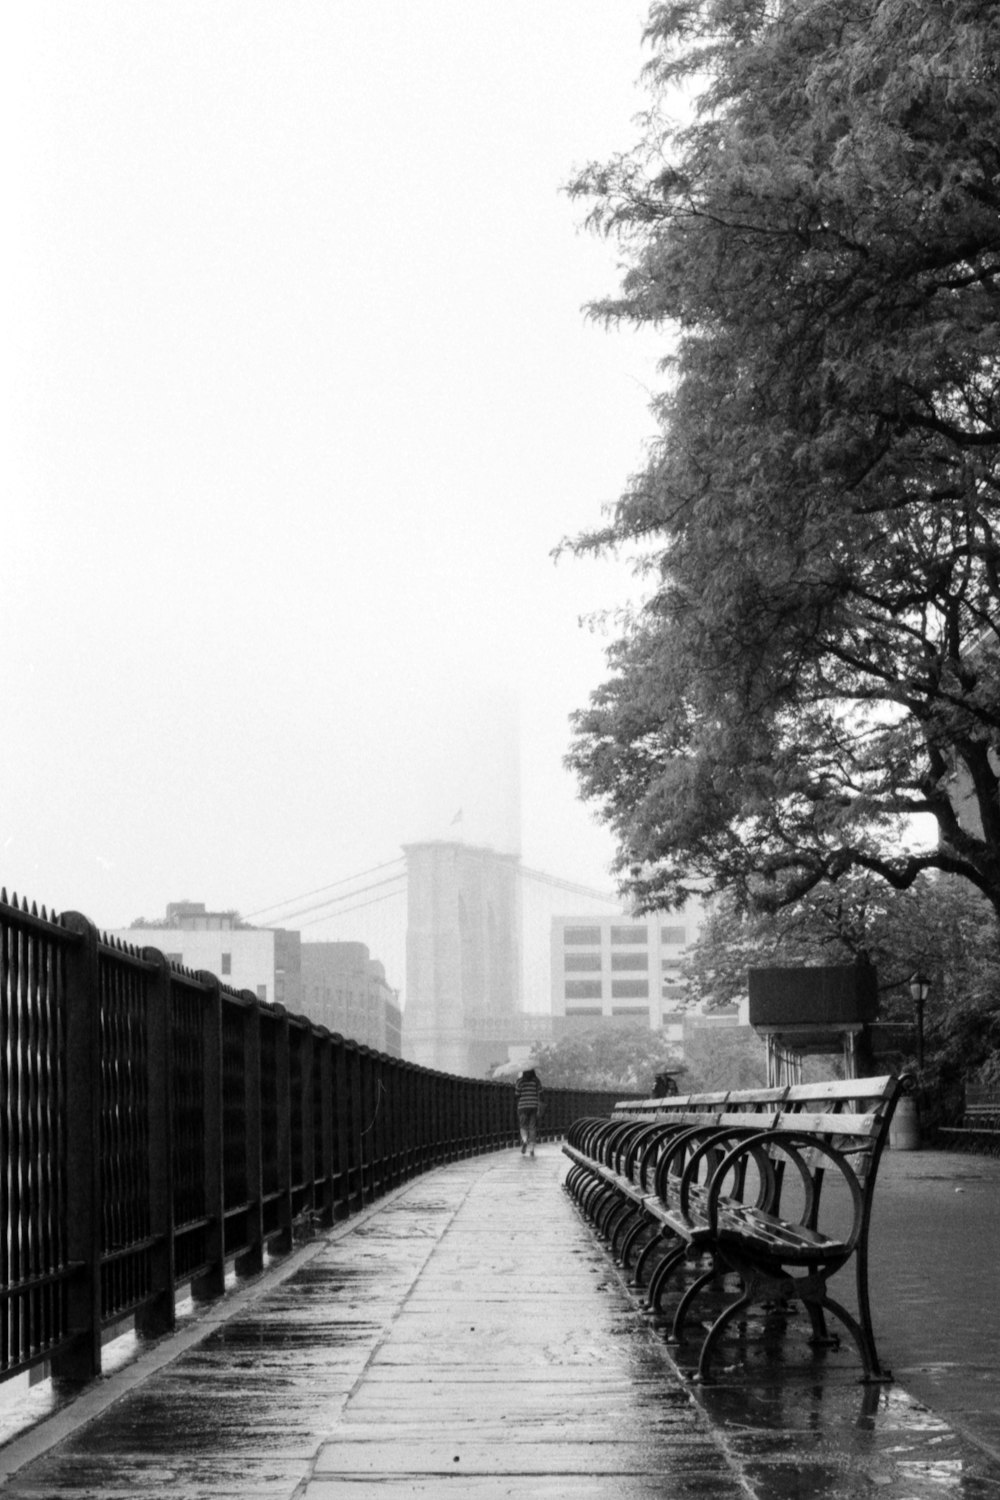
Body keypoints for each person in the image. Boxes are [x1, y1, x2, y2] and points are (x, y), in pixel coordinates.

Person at [515, 1067, 542, 1156]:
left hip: (522, 1106)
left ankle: (525, 1140)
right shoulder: (536, 1081)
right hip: (533, 1106)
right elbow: (540, 1092)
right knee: (532, 1127)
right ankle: (532, 1149)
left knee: (523, 1125)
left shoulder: (520, 1081)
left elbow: (517, 1094)